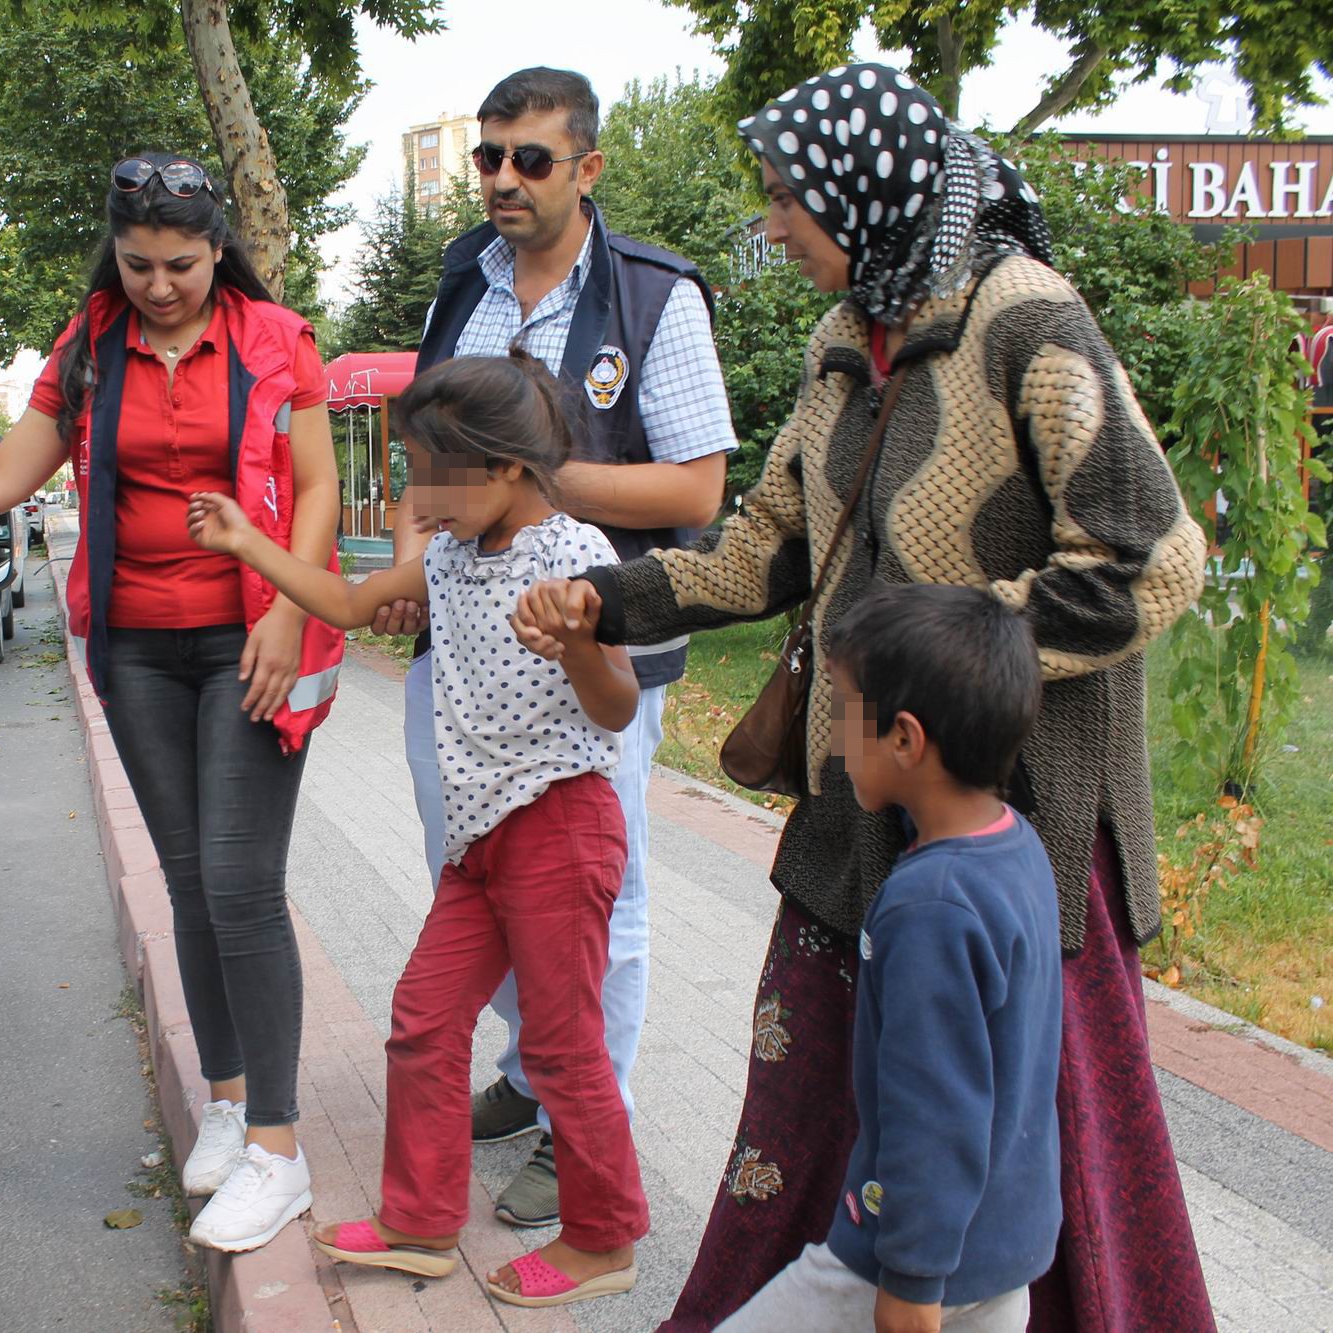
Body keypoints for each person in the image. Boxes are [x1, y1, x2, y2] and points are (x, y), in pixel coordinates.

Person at [513, 63, 1214, 1333]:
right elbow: (762, 548)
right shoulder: (845, 343)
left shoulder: (1024, 320)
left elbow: (1150, 557)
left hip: (1011, 811)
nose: (772, 224)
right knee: (812, 1093)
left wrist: (939, 655)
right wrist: (603, 602)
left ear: (864, 187)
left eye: (786, 197)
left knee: (1008, 1116)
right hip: (856, 791)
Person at [0, 152, 341, 1254]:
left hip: (250, 637)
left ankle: (280, 1155)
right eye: (139, 263)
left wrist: (290, 608)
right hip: (138, 648)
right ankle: (232, 1100)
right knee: (191, 884)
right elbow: (5, 477)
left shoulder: (274, 336)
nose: (159, 285)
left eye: (182, 265)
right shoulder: (92, 344)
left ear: (217, 250)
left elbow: (319, 483)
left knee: (243, 884)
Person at [187, 350, 648, 1308]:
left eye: (435, 470)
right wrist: (247, 545)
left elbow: (615, 707)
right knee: (422, 1021)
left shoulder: (576, 556)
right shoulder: (447, 555)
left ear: (507, 469)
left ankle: (605, 1237)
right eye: (411, 467)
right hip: (479, 842)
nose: (415, 490)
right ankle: (421, 1221)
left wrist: (574, 644)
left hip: (561, 826)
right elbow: (351, 605)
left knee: (564, 1046)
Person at [376, 65, 736, 1227]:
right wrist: (420, 526)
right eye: (488, 156)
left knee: (596, 905)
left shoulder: (651, 297)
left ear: (586, 168)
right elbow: (424, 449)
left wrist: (519, 482)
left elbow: (694, 484)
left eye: (529, 159)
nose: (501, 180)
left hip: (588, 655)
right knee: (473, 869)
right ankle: (532, 1077)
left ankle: (589, 1124)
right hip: (466, 650)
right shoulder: (459, 284)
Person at [709, 584, 1060, 1333]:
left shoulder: (929, 907)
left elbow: (934, 1111)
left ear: (905, 739)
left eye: (842, 714)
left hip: (897, 1259)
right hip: (1004, 1245)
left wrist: (910, 1277)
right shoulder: (1016, 848)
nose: (834, 739)